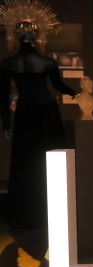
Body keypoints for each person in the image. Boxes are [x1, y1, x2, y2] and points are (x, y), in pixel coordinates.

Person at [0, 21, 76, 238]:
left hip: (26, 114)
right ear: (35, 36)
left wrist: (7, 124)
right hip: (47, 114)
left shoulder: (9, 63)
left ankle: (25, 215)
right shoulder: (46, 62)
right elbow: (58, 86)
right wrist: (77, 93)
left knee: (26, 163)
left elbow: (2, 97)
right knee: (51, 161)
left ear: (16, 35)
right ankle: (51, 212)